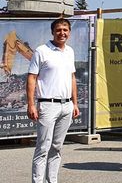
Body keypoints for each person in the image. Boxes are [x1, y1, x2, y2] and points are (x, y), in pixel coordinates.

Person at [26, 18, 80, 183]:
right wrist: (31, 104)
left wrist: (75, 103)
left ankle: (52, 180)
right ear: (52, 32)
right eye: (58, 30)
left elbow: (72, 78)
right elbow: (32, 78)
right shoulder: (41, 51)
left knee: (57, 148)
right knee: (43, 148)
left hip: (66, 106)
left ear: (69, 32)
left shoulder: (70, 51)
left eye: (65, 30)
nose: (62, 33)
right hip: (47, 105)